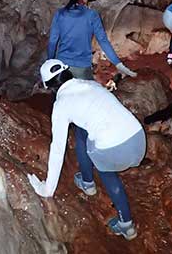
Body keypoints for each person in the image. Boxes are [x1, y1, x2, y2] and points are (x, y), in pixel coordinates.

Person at [27, 59, 146, 241]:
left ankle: (126, 224)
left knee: (107, 173)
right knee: (83, 130)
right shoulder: (91, 84)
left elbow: (57, 150)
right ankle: (87, 180)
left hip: (117, 151)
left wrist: (47, 189)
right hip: (139, 141)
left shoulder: (61, 105)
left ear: (49, 86)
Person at [47, 0, 137, 80]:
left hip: (62, 66)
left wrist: (50, 62)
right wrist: (118, 64)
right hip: (82, 67)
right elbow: (103, 41)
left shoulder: (60, 14)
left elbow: (53, 41)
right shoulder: (91, 15)